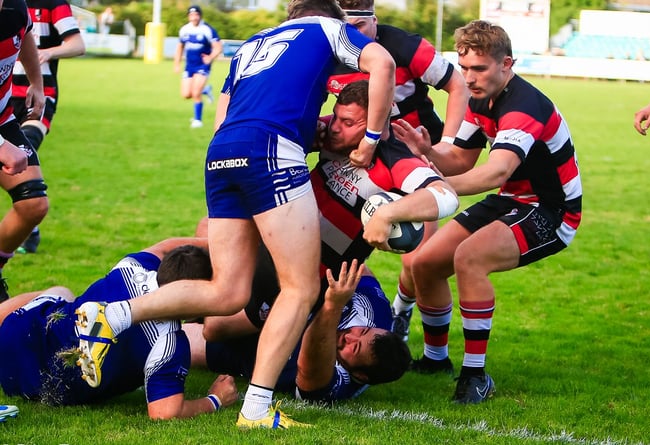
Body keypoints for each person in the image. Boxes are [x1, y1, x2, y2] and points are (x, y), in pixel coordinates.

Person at [73, 0, 396, 429]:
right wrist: (372, 138)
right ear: (330, 16)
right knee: (299, 289)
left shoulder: (251, 44)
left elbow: (223, 117)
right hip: (270, 151)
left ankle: (112, 314)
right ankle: (257, 410)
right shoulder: (326, 28)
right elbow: (383, 64)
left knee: (228, 292)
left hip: (221, 153)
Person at [391, 20, 583, 404]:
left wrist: (432, 190)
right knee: (424, 264)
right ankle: (435, 360)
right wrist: (426, 153)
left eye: (478, 69)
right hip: (511, 199)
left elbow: (496, 171)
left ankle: (476, 376)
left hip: (552, 210)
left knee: (469, 259)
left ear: (506, 64)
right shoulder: (479, 100)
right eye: (464, 69)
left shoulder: (524, 105)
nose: (469, 78)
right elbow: (460, 159)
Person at [331, 0, 470, 344]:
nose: (353, 37)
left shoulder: (405, 46)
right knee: (331, 244)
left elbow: (459, 85)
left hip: (414, 158)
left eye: (360, 28)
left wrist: (447, 146)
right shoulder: (330, 51)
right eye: (346, 28)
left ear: (375, 21)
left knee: (417, 257)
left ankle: (401, 311)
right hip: (364, 160)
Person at [0, 238, 239, 420]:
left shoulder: (133, 266)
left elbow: (166, 245)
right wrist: (215, 399)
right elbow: (164, 412)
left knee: (61, 292)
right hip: (35, 386)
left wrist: (221, 241)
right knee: (62, 293)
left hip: (13, 336)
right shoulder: (170, 343)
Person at [186, 258, 411, 403]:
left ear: (360, 375)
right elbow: (355, 267)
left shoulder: (339, 385)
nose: (349, 336)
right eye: (362, 332)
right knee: (205, 239)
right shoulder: (375, 312)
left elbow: (308, 359)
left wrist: (333, 305)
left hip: (242, 348)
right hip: (269, 295)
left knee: (207, 329)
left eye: (355, 347)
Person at [10, 0, 85, 254]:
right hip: (5, 96)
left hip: (39, 95)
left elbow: (77, 44)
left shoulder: (53, 3)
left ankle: (29, 216)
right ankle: (29, 224)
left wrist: (49, 52)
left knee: (27, 144)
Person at [0, 0, 47, 303]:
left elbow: (25, 33)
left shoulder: (16, 5)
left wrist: (37, 83)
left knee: (33, 204)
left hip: (3, 118)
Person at [173, 5, 222, 129]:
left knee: (195, 93)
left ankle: (197, 120)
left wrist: (210, 57)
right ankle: (206, 90)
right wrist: (177, 64)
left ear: (200, 16)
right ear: (188, 17)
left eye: (196, 15)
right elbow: (180, 47)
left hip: (202, 65)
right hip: (189, 66)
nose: (194, 17)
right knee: (186, 94)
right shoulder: (184, 30)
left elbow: (218, 47)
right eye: (191, 15)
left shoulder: (207, 29)